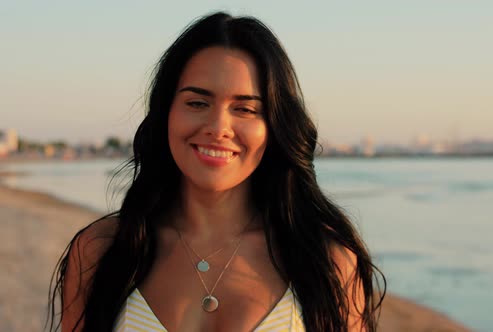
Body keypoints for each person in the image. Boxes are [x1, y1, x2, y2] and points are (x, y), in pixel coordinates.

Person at [49, 12, 386, 332]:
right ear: (166, 112)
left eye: (245, 109)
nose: (218, 127)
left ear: (274, 125)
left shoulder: (326, 263)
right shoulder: (102, 252)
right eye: (197, 103)